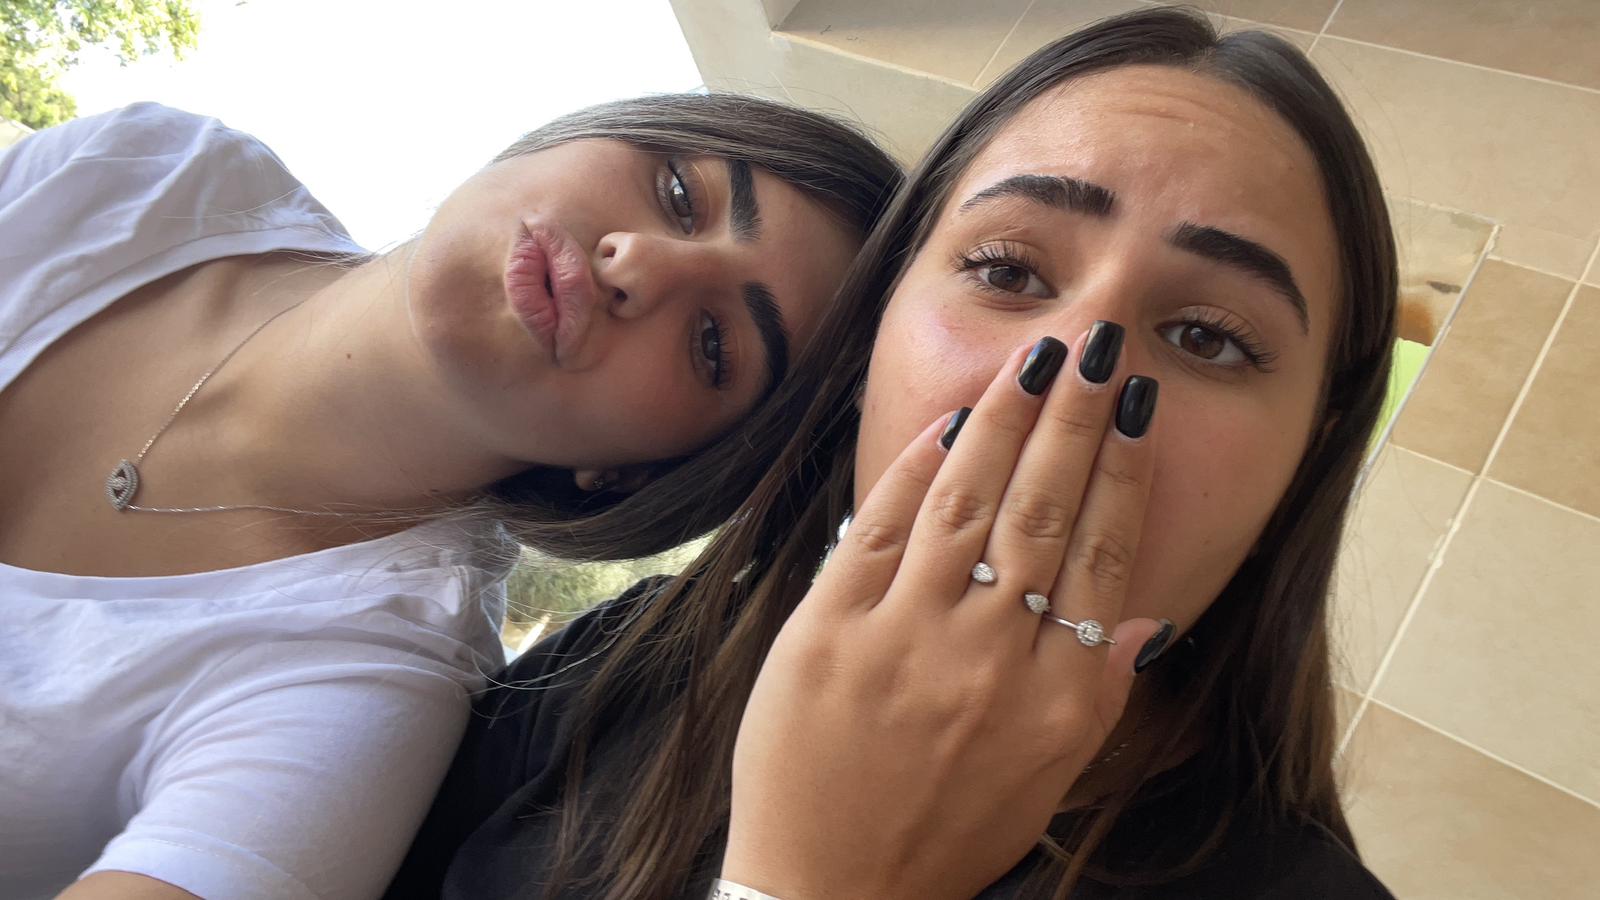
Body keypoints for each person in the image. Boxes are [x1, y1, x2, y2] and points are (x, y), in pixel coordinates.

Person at [391, 7, 1398, 899]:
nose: (1063, 382)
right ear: (871, 340)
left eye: (1208, 338)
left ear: (1305, 462)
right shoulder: (628, 658)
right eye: (1006, 269)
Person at [0, 92, 899, 900]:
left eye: (713, 345)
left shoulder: (357, 694)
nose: (640, 262)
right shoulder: (160, 175)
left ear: (640, 472)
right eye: (679, 194)